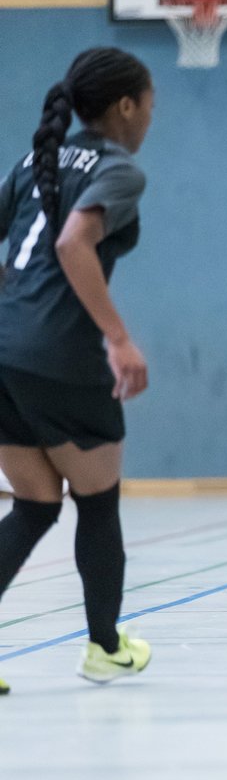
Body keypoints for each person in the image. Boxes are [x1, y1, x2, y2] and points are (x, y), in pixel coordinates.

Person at [0, 47, 155, 693]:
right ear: (125, 106)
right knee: (98, 501)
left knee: (36, 503)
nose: (151, 118)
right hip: (61, 356)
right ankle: (104, 646)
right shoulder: (117, 169)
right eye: (150, 105)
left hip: (5, 351)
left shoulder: (30, 160)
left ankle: (103, 641)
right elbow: (72, 243)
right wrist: (118, 339)